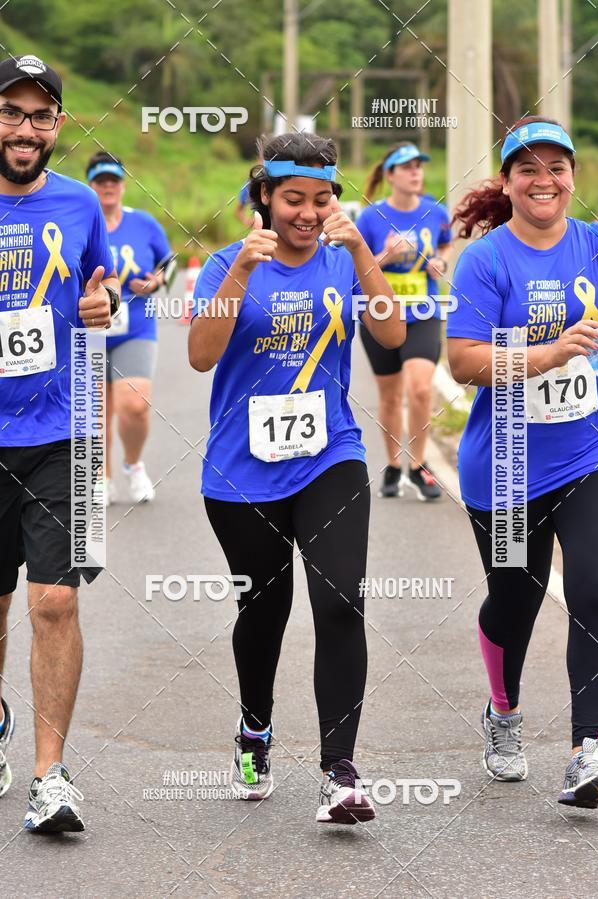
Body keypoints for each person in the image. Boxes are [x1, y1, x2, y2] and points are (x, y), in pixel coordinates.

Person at [188, 132, 404, 824]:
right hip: (242, 471)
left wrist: (364, 254)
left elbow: (393, 335)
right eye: (292, 199)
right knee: (264, 611)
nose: (308, 213)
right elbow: (200, 356)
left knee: (340, 600)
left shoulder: (343, 261)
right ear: (264, 197)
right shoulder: (226, 263)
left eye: (321, 199)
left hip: (330, 456)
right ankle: (255, 727)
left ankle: (339, 770)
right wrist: (240, 271)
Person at [447, 116, 598, 806]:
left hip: (585, 452)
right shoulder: (486, 261)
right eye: (528, 170)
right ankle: (503, 711)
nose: (544, 181)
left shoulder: (593, 246)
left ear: (572, 176)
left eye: (556, 168)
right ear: (507, 182)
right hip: (506, 463)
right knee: (517, 598)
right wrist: (549, 354)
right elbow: (463, 362)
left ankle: (587, 749)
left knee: (594, 588)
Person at [0, 55, 119, 831]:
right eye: (11, 112)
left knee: (56, 598)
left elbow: (99, 292)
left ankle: (51, 773)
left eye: (40, 116)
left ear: (58, 125)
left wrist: (103, 306)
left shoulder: (79, 204)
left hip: (62, 431)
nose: (25, 129)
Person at [357, 142, 452, 500]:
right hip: (380, 315)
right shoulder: (370, 218)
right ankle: (394, 465)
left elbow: (445, 244)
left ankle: (419, 464)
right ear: (390, 175)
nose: (416, 172)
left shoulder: (436, 212)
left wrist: (440, 262)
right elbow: (358, 267)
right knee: (391, 395)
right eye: (407, 167)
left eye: (419, 166)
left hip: (423, 312)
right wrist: (386, 255)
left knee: (421, 388)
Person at [87, 151, 174, 505]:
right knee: (96, 412)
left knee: (134, 405)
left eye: (114, 180)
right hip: (89, 331)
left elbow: (168, 263)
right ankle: (100, 478)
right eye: (100, 181)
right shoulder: (80, 220)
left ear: (123, 185)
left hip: (135, 329)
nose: (108, 187)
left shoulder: (144, 223)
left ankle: (133, 465)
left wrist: (156, 282)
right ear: (90, 185)